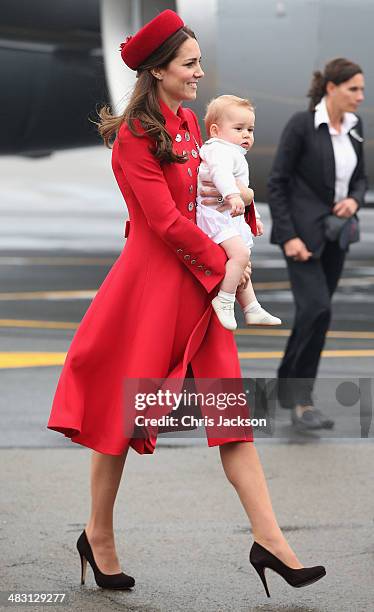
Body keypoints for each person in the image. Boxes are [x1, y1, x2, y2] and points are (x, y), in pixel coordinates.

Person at [47, 9, 326, 596]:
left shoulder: (188, 125)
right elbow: (165, 221)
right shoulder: (134, 137)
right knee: (117, 421)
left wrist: (242, 210)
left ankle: (272, 541)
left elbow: (207, 198)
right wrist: (226, 260)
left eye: (199, 61)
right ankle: (98, 535)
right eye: (190, 64)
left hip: (199, 290)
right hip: (150, 292)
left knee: (232, 417)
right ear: (158, 70)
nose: (201, 72)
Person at [267, 58, 367, 431]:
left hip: (335, 237)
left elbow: (360, 179)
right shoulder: (302, 125)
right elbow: (277, 183)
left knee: (313, 315)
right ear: (331, 88)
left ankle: (285, 384)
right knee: (318, 310)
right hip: (302, 239)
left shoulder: (356, 128)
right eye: (353, 88)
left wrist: (355, 200)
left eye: (361, 89)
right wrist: (289, 236)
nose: (360, 96)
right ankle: (302, 402)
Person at [196, 94, 282, 330]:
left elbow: (244, 189)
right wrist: (233, 195)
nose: (246, 135)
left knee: (243, 260)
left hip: (225, 214)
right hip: (213, 214)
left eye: (250, 129)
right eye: (239, 128)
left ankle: (251, 306)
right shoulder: (219, 151)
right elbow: (221, 175)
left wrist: (254, 217)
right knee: (241, 255)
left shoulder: (232, 152)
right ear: (215, 130)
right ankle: (224, 299)